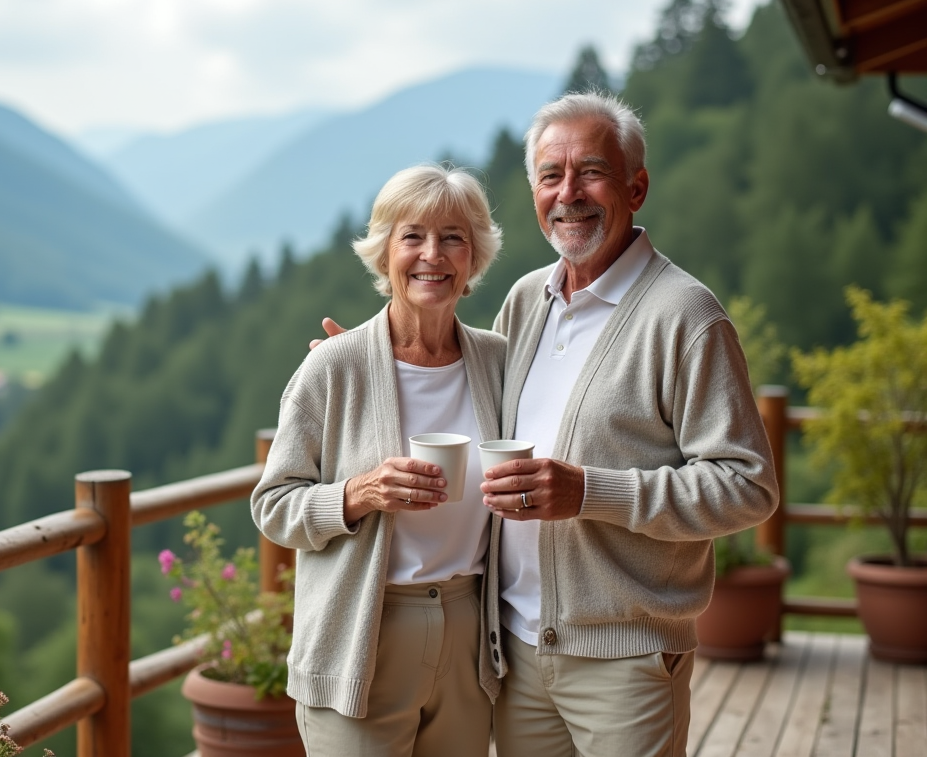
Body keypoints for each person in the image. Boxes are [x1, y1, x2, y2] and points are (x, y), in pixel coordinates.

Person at [315, 93, 780, 757]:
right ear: (533, 191)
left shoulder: (686, 317)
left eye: (591, 171)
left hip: (626, 660)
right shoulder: (527, 300)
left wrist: (590, 492)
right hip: (515, 657)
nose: (569, 193)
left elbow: (747, 487)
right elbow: (458, 386)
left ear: (636, 187)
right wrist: (363, 362)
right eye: (550, 176)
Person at [252, 163, 507, 757]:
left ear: (473, 258)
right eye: (412, 235)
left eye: (453, 237)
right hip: (360, 634)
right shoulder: (332, 367)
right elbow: (272, 506)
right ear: (384, 252)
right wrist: (358, 493)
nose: (432, 254)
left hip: (470, 630)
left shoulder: (499, 363)